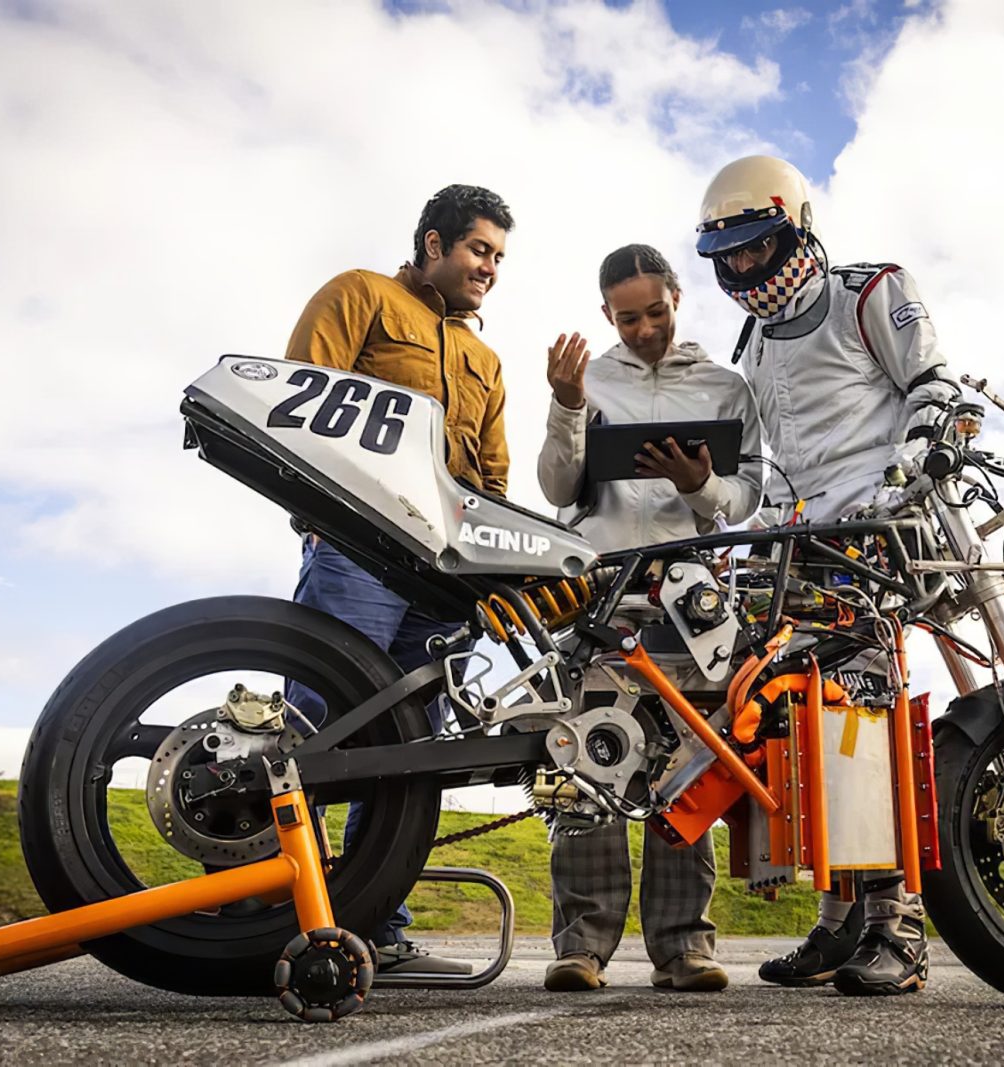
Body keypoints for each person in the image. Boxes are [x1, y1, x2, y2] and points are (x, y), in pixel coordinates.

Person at [694, 155, 966, 996]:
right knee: (793, 737)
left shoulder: (869, 291)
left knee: (866, 730)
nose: (744, 268)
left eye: (756, 247)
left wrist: (917, 467)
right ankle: (838, 922)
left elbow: (936, 385)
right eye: (728, 255)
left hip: (877, 537)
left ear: (796, 227)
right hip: (799, 551)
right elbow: (778, 465)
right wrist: (755, 542)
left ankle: (899, 928)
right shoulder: (752, 347)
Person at [281, 183, 514, 977]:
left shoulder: (486, 361)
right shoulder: (360, 296)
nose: (490, 268)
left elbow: (491, 477)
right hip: (356, 550)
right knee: (313, 723)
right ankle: (268, 911)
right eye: (480, 250)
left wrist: (489, 574)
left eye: (498, 258)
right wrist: (314, 516)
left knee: (412, 748)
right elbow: (302, 401)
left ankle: (377, 924)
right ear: (433, 243)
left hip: (442, 576)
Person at [536, 244, 764, 993]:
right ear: (607, 313)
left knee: (686, 769)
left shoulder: (726, 387)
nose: (643, 329)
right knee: (589, 767)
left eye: (655, 313)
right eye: (627, 318)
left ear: (677, 296)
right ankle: (582, 947)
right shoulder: (588, 380)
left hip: (690, 602)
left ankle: (684, 947)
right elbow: (557, 485)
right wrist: (568, 406)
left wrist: (703, 486)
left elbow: (748, 495)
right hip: (601, 599)